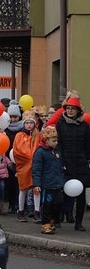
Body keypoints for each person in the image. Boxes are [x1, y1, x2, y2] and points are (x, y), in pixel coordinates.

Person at [50, 94, 90, 231]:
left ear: (78, 111)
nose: (70, 111)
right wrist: (60, 161)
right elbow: (58, 144)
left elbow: (87, 145)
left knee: (81, 195)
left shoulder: (84, 126)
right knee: (60, 193)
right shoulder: (60, 124)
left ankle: (78, 223)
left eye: (73, 109)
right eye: (68, 108)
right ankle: (57, 218)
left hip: (80, 164)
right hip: (65, 162)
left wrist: (87, 161)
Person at [32, 126, 65, 234]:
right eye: (53, 140)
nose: (56, 143)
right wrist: (37, 184)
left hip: (57, 184)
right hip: (47, 184)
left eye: (57, 140)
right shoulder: (40, 152)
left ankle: (53, 221)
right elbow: (36, 169)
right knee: (47, 205)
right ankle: (45, 224)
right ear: (46, 140)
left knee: (58, 203)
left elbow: (60, 167)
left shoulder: (57, 152)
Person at [13, 111, 42, 223]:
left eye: (31, 123)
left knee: (36, 189)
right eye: (27, 123)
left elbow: (39, 148)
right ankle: (20, 211)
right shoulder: (19, 136)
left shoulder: (38, 135)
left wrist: (35, 159)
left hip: (35, 166)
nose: (29, 125)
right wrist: (29, 158)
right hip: (23, 166)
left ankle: (37, 212)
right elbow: (17, 151)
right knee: (23, 189)